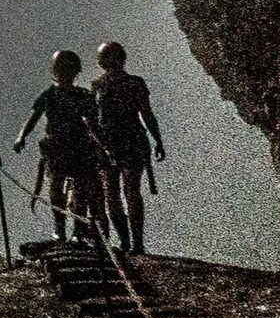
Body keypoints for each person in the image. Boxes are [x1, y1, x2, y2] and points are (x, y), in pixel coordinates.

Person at [13, 51, 109, 245]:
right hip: (57, 147)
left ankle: (78, 230)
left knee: (79, 189)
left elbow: (92, 124)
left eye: (68, 69)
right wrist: (21, 137)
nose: (65, 73)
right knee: (57, 188)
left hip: (79, 147)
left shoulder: (83, 96)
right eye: (62, 68)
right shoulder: (49, 95)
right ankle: (60, 227)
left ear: (75, 71)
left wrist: (102, 146)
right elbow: (33, 118)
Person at [91, 41, 166, 256]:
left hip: (129, 141)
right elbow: (92, 121)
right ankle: (128, 243)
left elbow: (146, 113)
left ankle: (135, 243)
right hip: (109, 144)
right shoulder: (98, 86)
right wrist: (157, 140)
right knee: (115, 193)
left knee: (127, 192)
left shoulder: (131, 83)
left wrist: (158, 139)